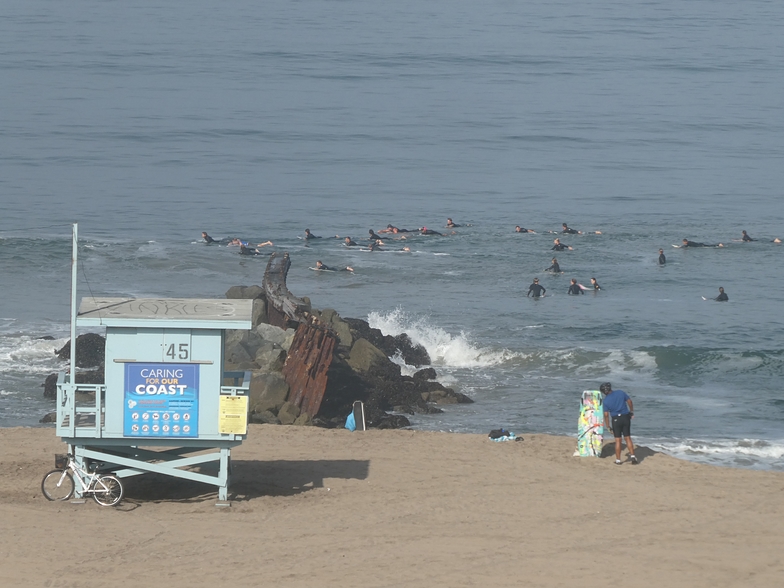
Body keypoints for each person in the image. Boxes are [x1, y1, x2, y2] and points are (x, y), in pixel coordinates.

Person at [601, 382, 637, 465]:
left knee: (618, 440)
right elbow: (630, 401)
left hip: (616, 419)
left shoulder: (606, 401)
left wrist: (608, 426)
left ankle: (618, 460)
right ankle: (632, 456)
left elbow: (606, 415)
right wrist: (631, 411)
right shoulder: (620, 392)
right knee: (628, 437)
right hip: (625, 417)